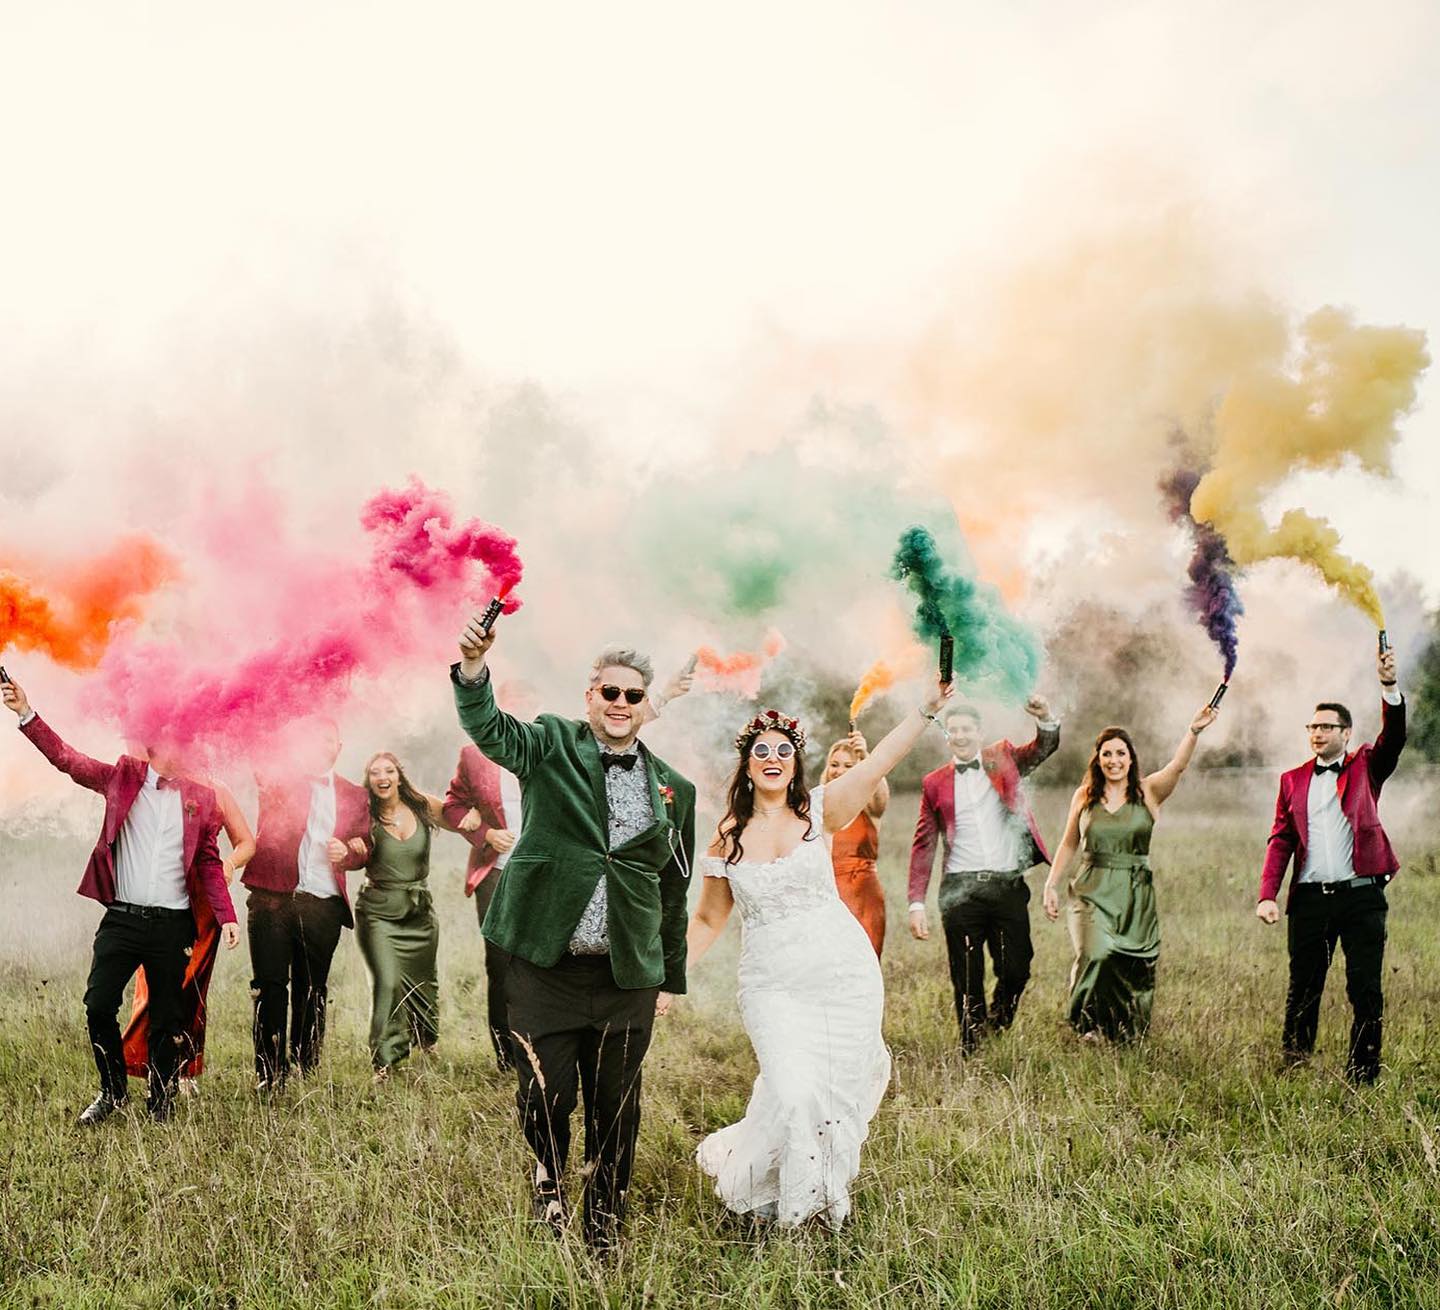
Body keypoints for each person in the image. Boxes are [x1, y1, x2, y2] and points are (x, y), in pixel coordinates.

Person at [452, 617, 696, 1252]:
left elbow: (673, 889)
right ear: (590, 696)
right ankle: (549, 1185)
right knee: (545, 1094)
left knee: (617, 1108)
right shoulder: (551, 743)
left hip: (625, 977)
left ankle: (605, 1221)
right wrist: (476, 671)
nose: (620, 704)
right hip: (545, 964)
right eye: (609, 692)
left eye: (632, 696)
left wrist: (668, 977)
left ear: (646, 707)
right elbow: (489, 729)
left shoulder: (677, 790)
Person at [680, 676, 953, 1229]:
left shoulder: (818, 813)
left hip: (842, 976)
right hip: (772, 986)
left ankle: (810, 1205)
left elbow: (877, 764)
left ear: (795, 763)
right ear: (748, 764)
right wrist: (668, 977)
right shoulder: (726, 837)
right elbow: (709, 917)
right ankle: (771, 1190)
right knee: (792, 1087)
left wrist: (925, 707)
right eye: (763, 751)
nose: (774, 758)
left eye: (785, 750)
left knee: (825, 1094)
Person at [2, 674, 240, 1123]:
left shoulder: (202, 799)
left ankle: (162, 1101)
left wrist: (226, 916)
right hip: (122, 920)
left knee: (170, 1019)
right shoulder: (123, 777)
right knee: (98, 1005)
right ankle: (112, 1091)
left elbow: (209, 861)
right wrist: (26, 713)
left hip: (172, 925)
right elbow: (67, 760)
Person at [1256, 646, 1405, 1084]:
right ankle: (1296, 1065)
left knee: (1365, 990)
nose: (1317, 733)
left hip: (1361, 897)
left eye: (1326, 727)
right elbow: (1280, 839)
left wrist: (1389, 686)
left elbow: (1394, 736)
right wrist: (1267, 894)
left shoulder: (1366, 766)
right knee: (1303, 988)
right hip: (1309, 901)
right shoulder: (1293, 780)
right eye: (1312, 727)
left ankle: (1363, 1074)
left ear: (1346, 731)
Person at [1043, 704, 1217, 1041]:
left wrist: (1193, 731)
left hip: (1135, 891)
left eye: (1120, 753)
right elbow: (1068, 844)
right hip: (1091, 887)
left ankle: (1119, 1030)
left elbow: (1178, 766)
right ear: (1097, 759)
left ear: (1131, 757)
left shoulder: (1148, 791)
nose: (1114, 760)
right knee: (1096, 952)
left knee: (1127, 962)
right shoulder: (1084, 796)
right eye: (1106, 754)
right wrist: (1051, 884)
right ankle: (1085, 1022)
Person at [908, 697, 1060, 1051]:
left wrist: (1046, 717)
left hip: (1007, 886)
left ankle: (997, 1023)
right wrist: (916, 902)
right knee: (966, 976)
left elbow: (1044, 748)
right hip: (960, 891)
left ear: (979, 732)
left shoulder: (1003, 757)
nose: (960, 736)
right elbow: (923, 844)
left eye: (967, 729)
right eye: (954, 730)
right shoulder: (934, 783)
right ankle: (971, 1045)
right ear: (947, 735)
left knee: (1017, 968)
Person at [241, 717, 372, 1089]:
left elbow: (365, 847)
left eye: (328, 739)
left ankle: (305, 1066)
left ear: (338, 747)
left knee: (312, 988)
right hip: (272, 900)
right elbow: (258, 752)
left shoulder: (354, 794)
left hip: (324, 904)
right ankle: (269, 1074)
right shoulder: (279, 780)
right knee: (269, 987)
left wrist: (348, 852)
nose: (320, 745)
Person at [122, 777, 256, 1092]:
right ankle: (149, 1064)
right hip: (160, 896)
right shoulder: (157, 785)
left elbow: (247, 842)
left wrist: (230, 863)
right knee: (153, 984)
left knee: (191, 985)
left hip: (204, 899)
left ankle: (183, 1069)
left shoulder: (219, 790)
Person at [355, 751, 457, 1078]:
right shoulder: (363, 814)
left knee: (425, 981)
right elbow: (348, 850)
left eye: (388, 770)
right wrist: (345, 852)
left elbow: (456, 818)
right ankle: (384, 1061)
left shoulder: (422, 805)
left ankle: (427, 1042)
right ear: (369, 781)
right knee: (388, 982)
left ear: (399, 775)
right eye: (375, 773)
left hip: (419, 910)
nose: (382, 777)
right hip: (378, 911)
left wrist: (482, 830)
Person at [823, 733, 889, 957]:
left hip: (864, 898)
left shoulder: (869, 807)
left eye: (848, 766)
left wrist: (867, 758)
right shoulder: (817, 807)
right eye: (834, 764)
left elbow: (881, 799)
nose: (839, 771)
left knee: (864, 965)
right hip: (827, 898)